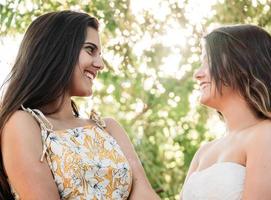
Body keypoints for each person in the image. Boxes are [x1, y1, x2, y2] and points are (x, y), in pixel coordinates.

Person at [0, 10, 160, 200]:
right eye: (90, 50)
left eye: (100, 54)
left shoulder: (108, 128)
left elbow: (143, 191)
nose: (100, 64)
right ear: (57, 50)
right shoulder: (23, 123)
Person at [181, 24, 271, 200]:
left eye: (208, 61)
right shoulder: (203, 152)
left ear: (242, 65)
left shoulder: (268, 134)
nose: (197, 74)